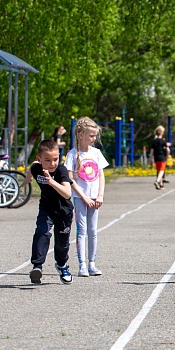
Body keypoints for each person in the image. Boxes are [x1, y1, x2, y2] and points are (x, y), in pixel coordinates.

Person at [21, 139, 74, 285]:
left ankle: (62, 265)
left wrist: (51, 181)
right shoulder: (36, 167)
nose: (52, 163)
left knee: (62, 243)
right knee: (41, 232)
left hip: (63, 211)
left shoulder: (61, 171)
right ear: (39, 159)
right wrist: (27, 180)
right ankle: (37, 266)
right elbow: (32, 167)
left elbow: (67, 193)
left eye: (55, 159)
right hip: (46, 208)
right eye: (48, 160)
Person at [64, 117, 108, 277]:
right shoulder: (72, 154)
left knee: (93, 230)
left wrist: (100, 195)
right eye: (91, 135)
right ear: (81, 135)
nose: (94, 138)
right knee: (81, 231)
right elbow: (70, 179)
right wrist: (84, 197)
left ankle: (92, 263)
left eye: (95, 135)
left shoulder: (96, 153)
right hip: (80, 198)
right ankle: (82, 265)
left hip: (95, 198)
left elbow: (101, 176)